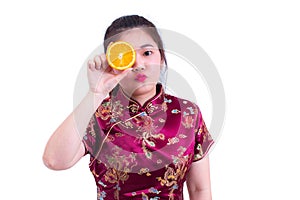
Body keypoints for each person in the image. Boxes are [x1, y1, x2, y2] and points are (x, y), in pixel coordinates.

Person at [43, 15, 214, 200]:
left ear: (162, 58)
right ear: (113, 62)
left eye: (147, 53)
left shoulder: (188, 113)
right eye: (127, 56)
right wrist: (95, 93)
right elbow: (54, 160)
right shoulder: (98, 113)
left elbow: (199, 190)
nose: (139, 65)